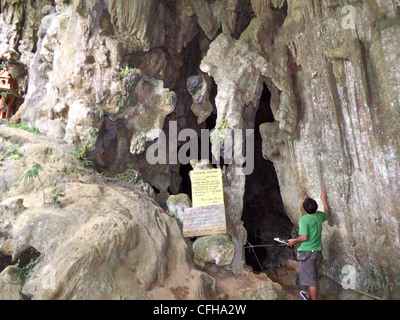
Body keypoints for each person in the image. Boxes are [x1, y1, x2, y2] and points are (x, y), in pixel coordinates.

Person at [287, 189, 330, 300]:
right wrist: (323, 200)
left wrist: (294, 241)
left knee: (311, 281)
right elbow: (328, 213)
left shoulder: (304, 219)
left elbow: (304, 237)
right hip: (317, 253)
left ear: (304, 209)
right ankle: (307, 295)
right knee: (311, 276)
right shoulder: (319, 216)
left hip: (307, 254)